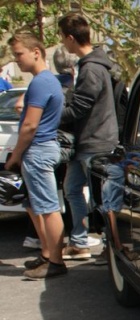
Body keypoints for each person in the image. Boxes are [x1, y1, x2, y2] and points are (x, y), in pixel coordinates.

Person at [58, 13, 122, 260]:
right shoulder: (94, 65)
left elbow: (79, 108)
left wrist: (50, 114)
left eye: (63, 39)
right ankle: (79, 241)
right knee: (73, 190)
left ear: (71, 38)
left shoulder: (91, 68)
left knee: (101, 199)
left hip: (96, 143)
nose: (64, 44)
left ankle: (110, 248)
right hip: (88, 142)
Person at [5, 33, 66, 279]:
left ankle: (56, 262)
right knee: (36, 206)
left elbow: (30, 125)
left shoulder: (42, 82)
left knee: (48, 208)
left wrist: (15, 156)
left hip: (38, 150)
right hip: (41, 149)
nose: (17, 59)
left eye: (19, 53)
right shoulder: (46, 81)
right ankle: (47, 255)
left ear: (36, 52)